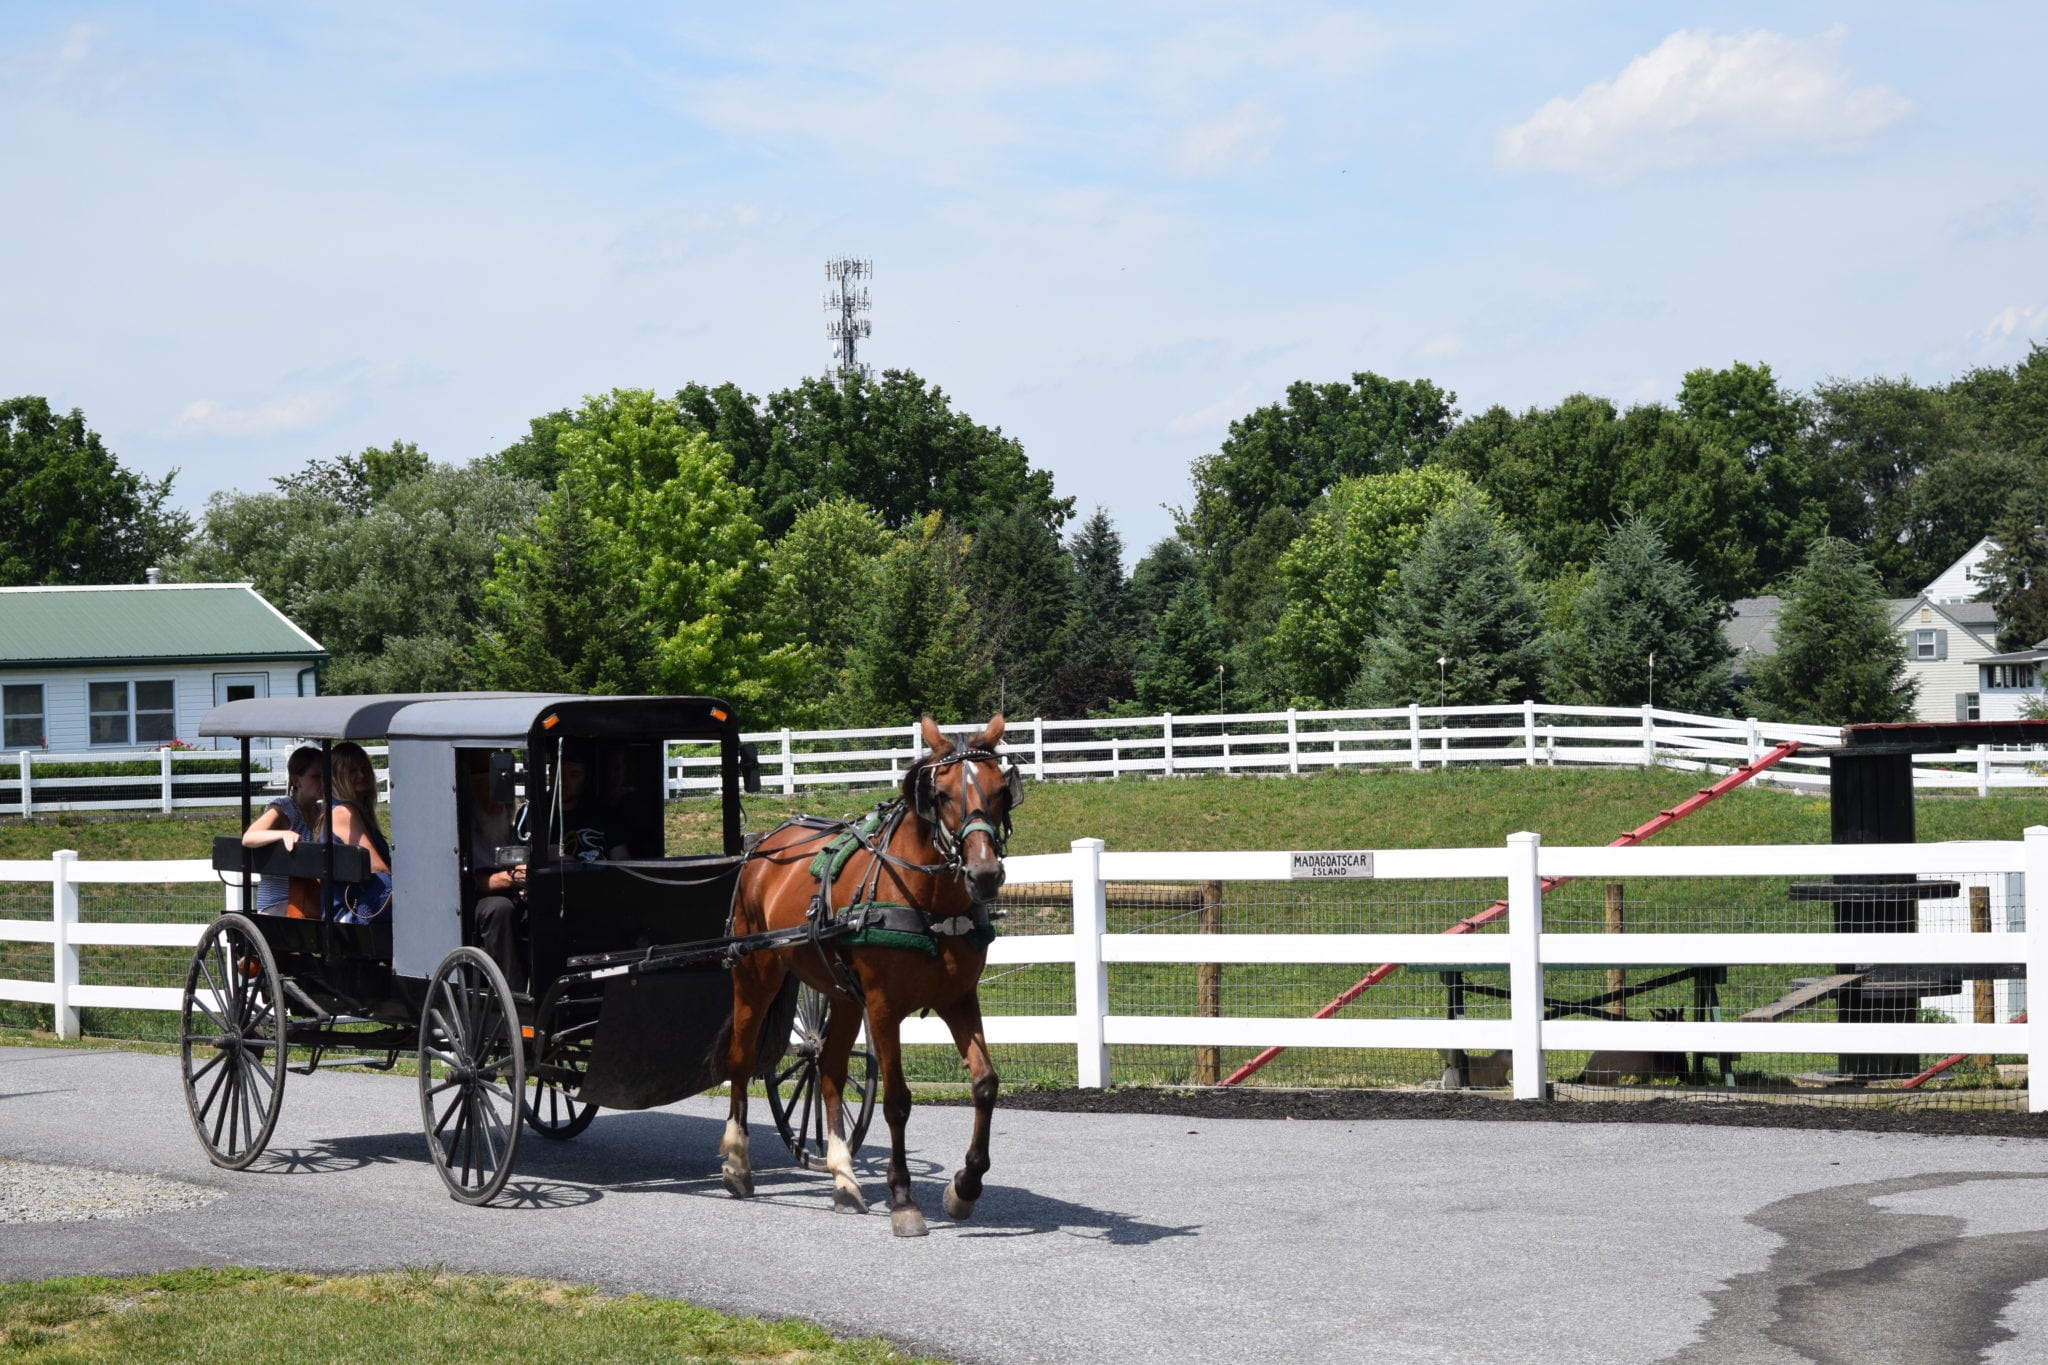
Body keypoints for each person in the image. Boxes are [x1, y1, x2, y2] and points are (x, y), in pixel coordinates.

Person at [465, 750, 528, 991]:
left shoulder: (511, 823)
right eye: (482, 786)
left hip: (513, 892)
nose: (492, 798)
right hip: (471, 903)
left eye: (497, 788)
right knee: (498, 909)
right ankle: (513, 993)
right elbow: (471, 882)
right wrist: (512, 879)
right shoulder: (463, 826)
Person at [239, 746, 325, 916]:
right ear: (296, 780)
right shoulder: (283, 808)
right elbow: (249, 837)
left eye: (326, 776)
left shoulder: (321, 812)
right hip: (279, 902)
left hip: (310, 898)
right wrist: (283, 833)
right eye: (316, 776)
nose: (323, 782)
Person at [320, 740, 393, 922]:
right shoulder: (344, 813)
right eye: (352, 771)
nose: (361, 775)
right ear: (337, 776)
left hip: (363, 902)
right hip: (352, 912)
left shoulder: (356, 811)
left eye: (364, 769)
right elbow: (377, 866)